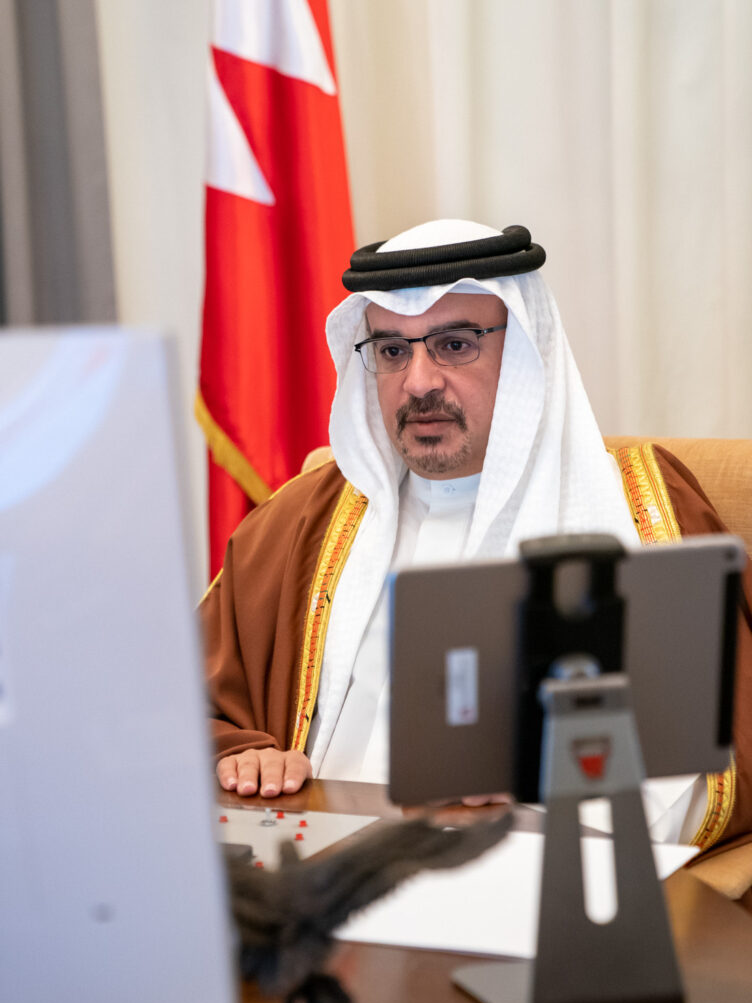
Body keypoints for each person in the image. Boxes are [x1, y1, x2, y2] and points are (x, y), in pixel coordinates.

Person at [201, 219, 752, 854]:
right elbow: (179, 700)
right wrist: (242, 754)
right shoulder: (302, 521)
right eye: (392, 351)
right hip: (321, 869)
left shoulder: (643, 509)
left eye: (455, 345)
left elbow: (715, 749)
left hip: (537, 869)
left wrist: (543, 793)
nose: (418, 382)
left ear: (524, 353)